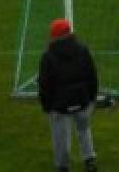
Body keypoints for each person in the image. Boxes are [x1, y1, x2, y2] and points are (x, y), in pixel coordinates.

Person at [38, 18, 99, 172]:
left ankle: (63, 166)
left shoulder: (48, 56)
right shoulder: (83, 49)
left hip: (59, 105)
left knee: (61, 137)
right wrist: (91, 98)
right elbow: (92, 75)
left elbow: (44, 84)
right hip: (82, 99)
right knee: (84, 129)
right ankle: (89, 159)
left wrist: (47, 106)